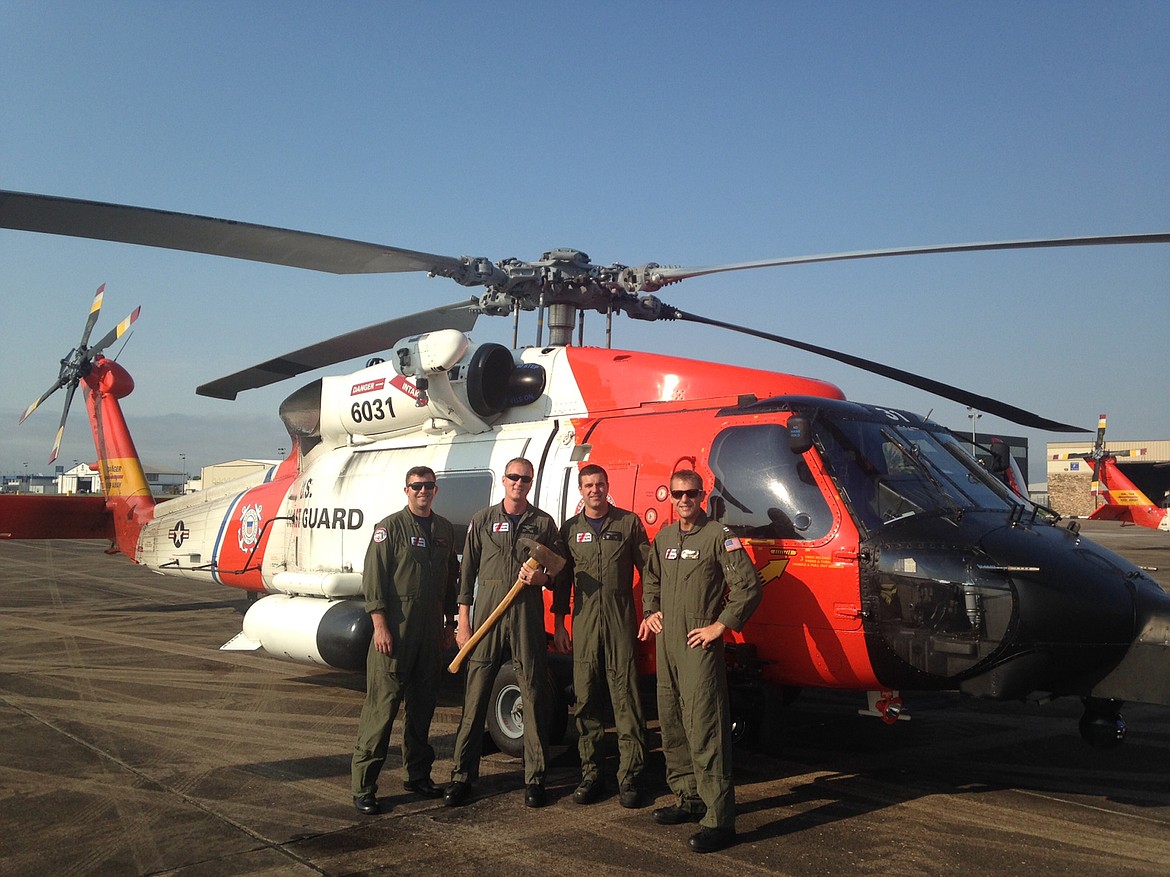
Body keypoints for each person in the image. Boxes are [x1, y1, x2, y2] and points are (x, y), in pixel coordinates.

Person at [637, 469, 763, 854]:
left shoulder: (718, 538)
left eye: (690, 493)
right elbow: (652, 580)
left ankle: (718, 818)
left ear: (702, 495)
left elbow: (748, 586)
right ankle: (688, 798)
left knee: (706, 729)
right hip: (667, 644)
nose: (683, 500)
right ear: (670, 498)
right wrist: (649, 611)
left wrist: (721, 625)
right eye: (677, 494)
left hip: (698, 646)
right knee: (672, 725)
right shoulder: (664, 538)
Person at [444, 458, 565, 809]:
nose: (519, 483)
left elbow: (558, 570)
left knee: (533, 694)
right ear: (504, 480)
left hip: (526, 613)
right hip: (488, 616)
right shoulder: (483, 519)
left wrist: (542, 579)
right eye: (513, 477)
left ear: (530, 483)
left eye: (525, 479)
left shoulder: (543, 523)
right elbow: (466, 574)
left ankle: (535, 779)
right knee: (476, 695)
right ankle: (461, 777)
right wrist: (462, 622)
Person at [351, 465, 459, 815]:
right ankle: (364, 785)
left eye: (428, 486)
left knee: (423, 708)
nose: (422, 491)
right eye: (416, 486)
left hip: (429, 632)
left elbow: (450, 580)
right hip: (396, 632)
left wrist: (448, 624)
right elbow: (375, 581)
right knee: (382, 710)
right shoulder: (390, 529)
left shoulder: (443, 529)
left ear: (436, 490)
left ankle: (417, 775)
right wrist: (379, 626)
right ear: (407, 490)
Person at [552, 464, 650, 808]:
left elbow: (649, 570)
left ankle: (631, 777)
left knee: (627, 701)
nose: (594, 490)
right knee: (587, 699)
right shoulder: (570, 529)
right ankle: (592, 775)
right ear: (580, 490)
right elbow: (562, 581)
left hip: (621, 620)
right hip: (584, 623)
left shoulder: (628, 523)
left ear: (608, 487)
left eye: (600, 484)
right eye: (588, 485)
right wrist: (560, 623)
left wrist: (651, 610)